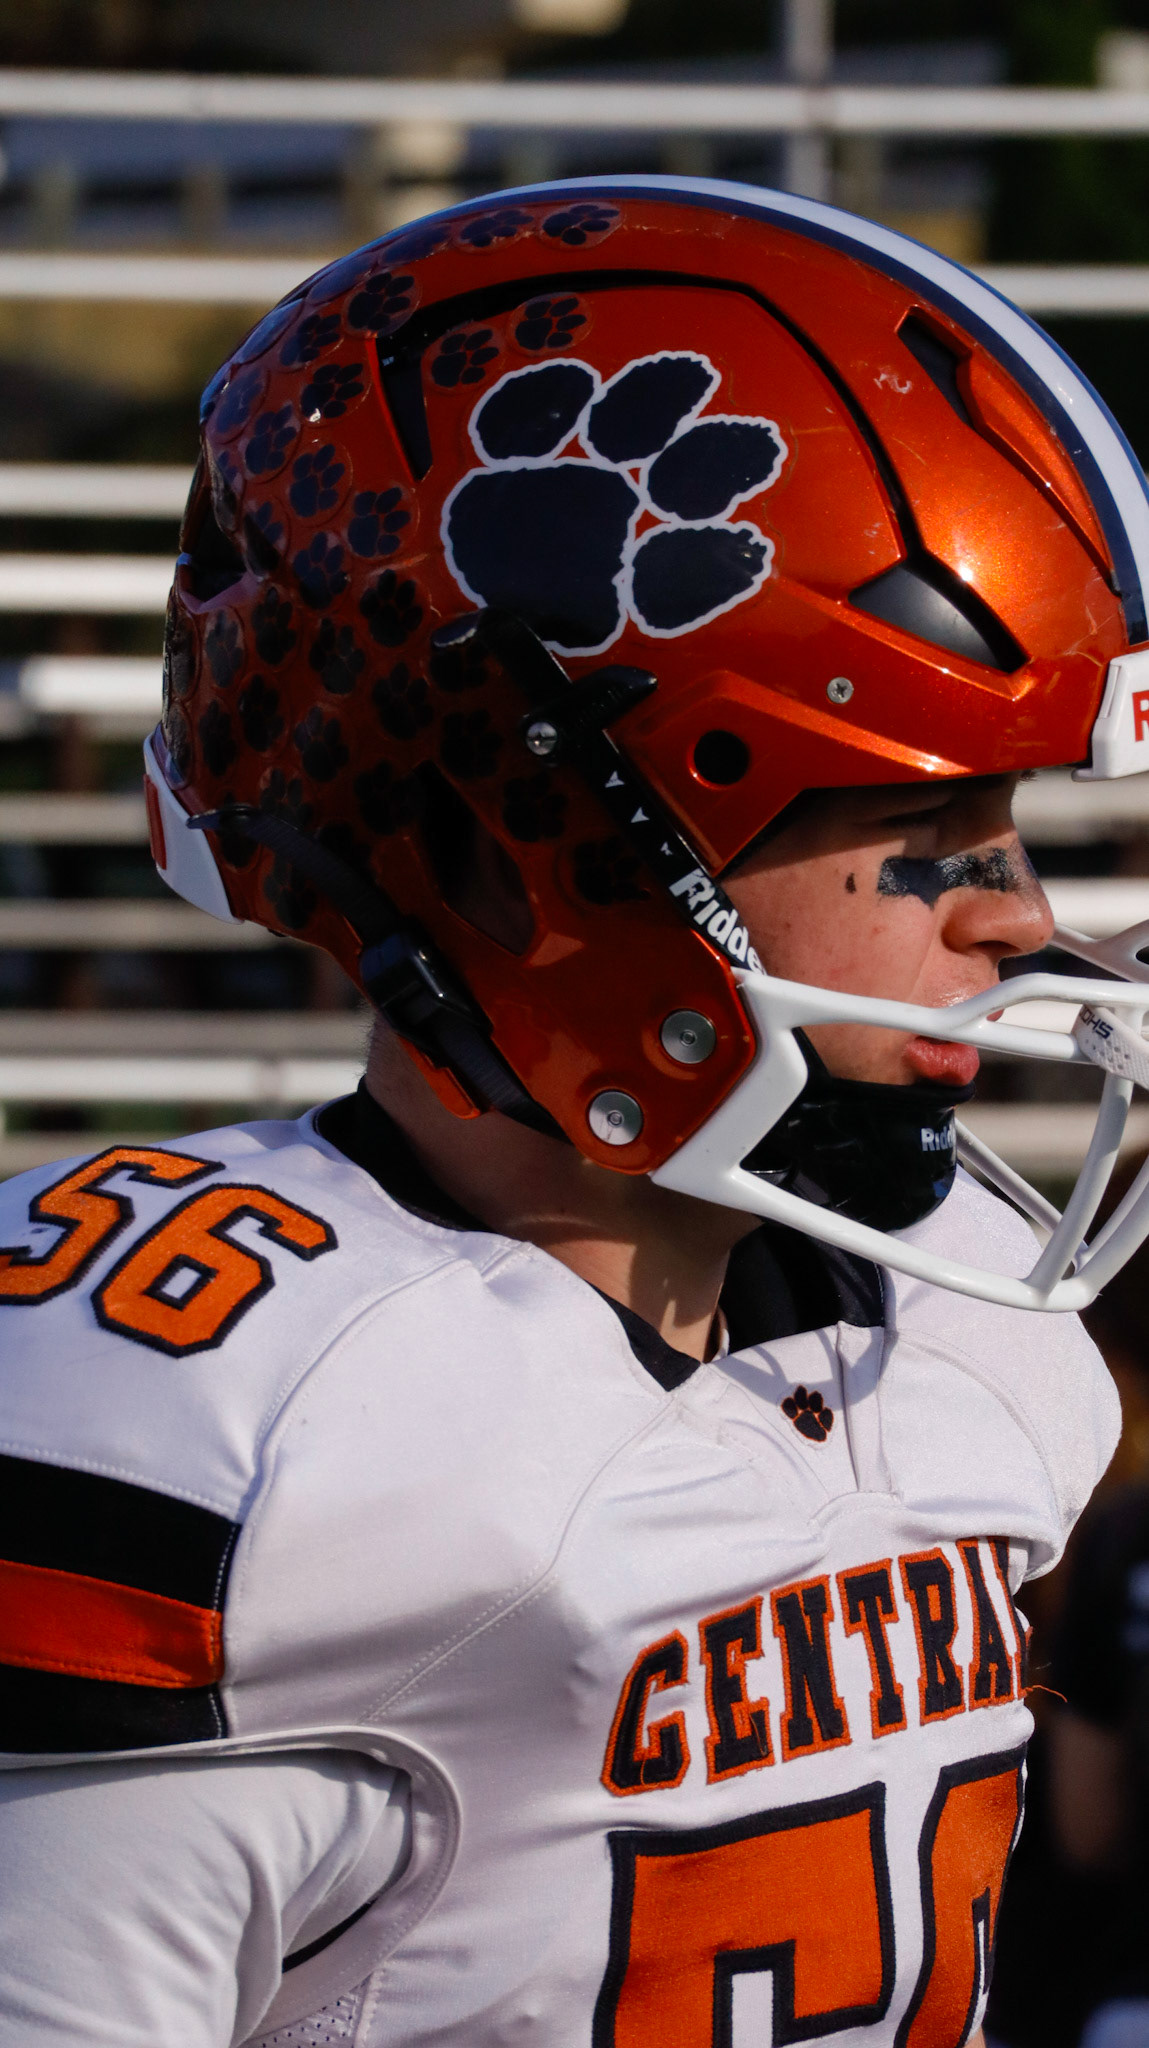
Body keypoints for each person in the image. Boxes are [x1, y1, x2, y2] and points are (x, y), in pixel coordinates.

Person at [0, 174, 1148, 2048]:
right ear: (534, 849)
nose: (1014, 915)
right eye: (915, 830)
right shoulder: (236, 1435)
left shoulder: (965, 1329)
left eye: (1004, 825)